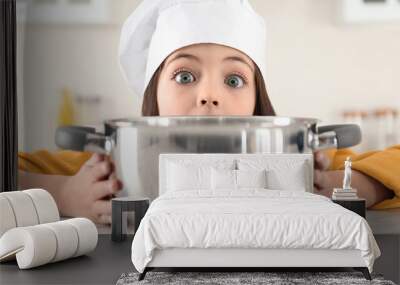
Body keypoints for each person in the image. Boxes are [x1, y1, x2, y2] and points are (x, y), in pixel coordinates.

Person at [18, 0, 400, 225]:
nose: (209, 96)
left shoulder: (299, 162)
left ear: (257, 102)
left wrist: (343, 184)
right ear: (154, 94)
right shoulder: (113, 168)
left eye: (233, 80)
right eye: (185, 75)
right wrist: (65, 194)